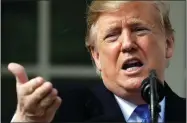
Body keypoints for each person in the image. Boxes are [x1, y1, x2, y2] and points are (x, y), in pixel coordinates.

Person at [9, 0, 186, 122]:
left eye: (139, 29)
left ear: (168, 45)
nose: (127, 44)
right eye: (112, 35)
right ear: (96, 57)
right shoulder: (59, 113)